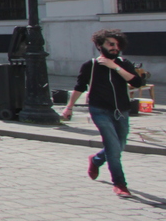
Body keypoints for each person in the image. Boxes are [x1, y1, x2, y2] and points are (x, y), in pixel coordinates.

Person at [62, 29, 147, 198]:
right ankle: (120, 184)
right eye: (110, 44)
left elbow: (137, 83)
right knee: (113, 148)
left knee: (119, 145)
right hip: (99, 110)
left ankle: (96, 160)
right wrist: (69, 106)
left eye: (117, 44)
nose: (115, 47)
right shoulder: (91, 65)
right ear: (100, 45)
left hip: (121, 110)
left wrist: (114, 67)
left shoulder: (123, 63)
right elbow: (79, 87)